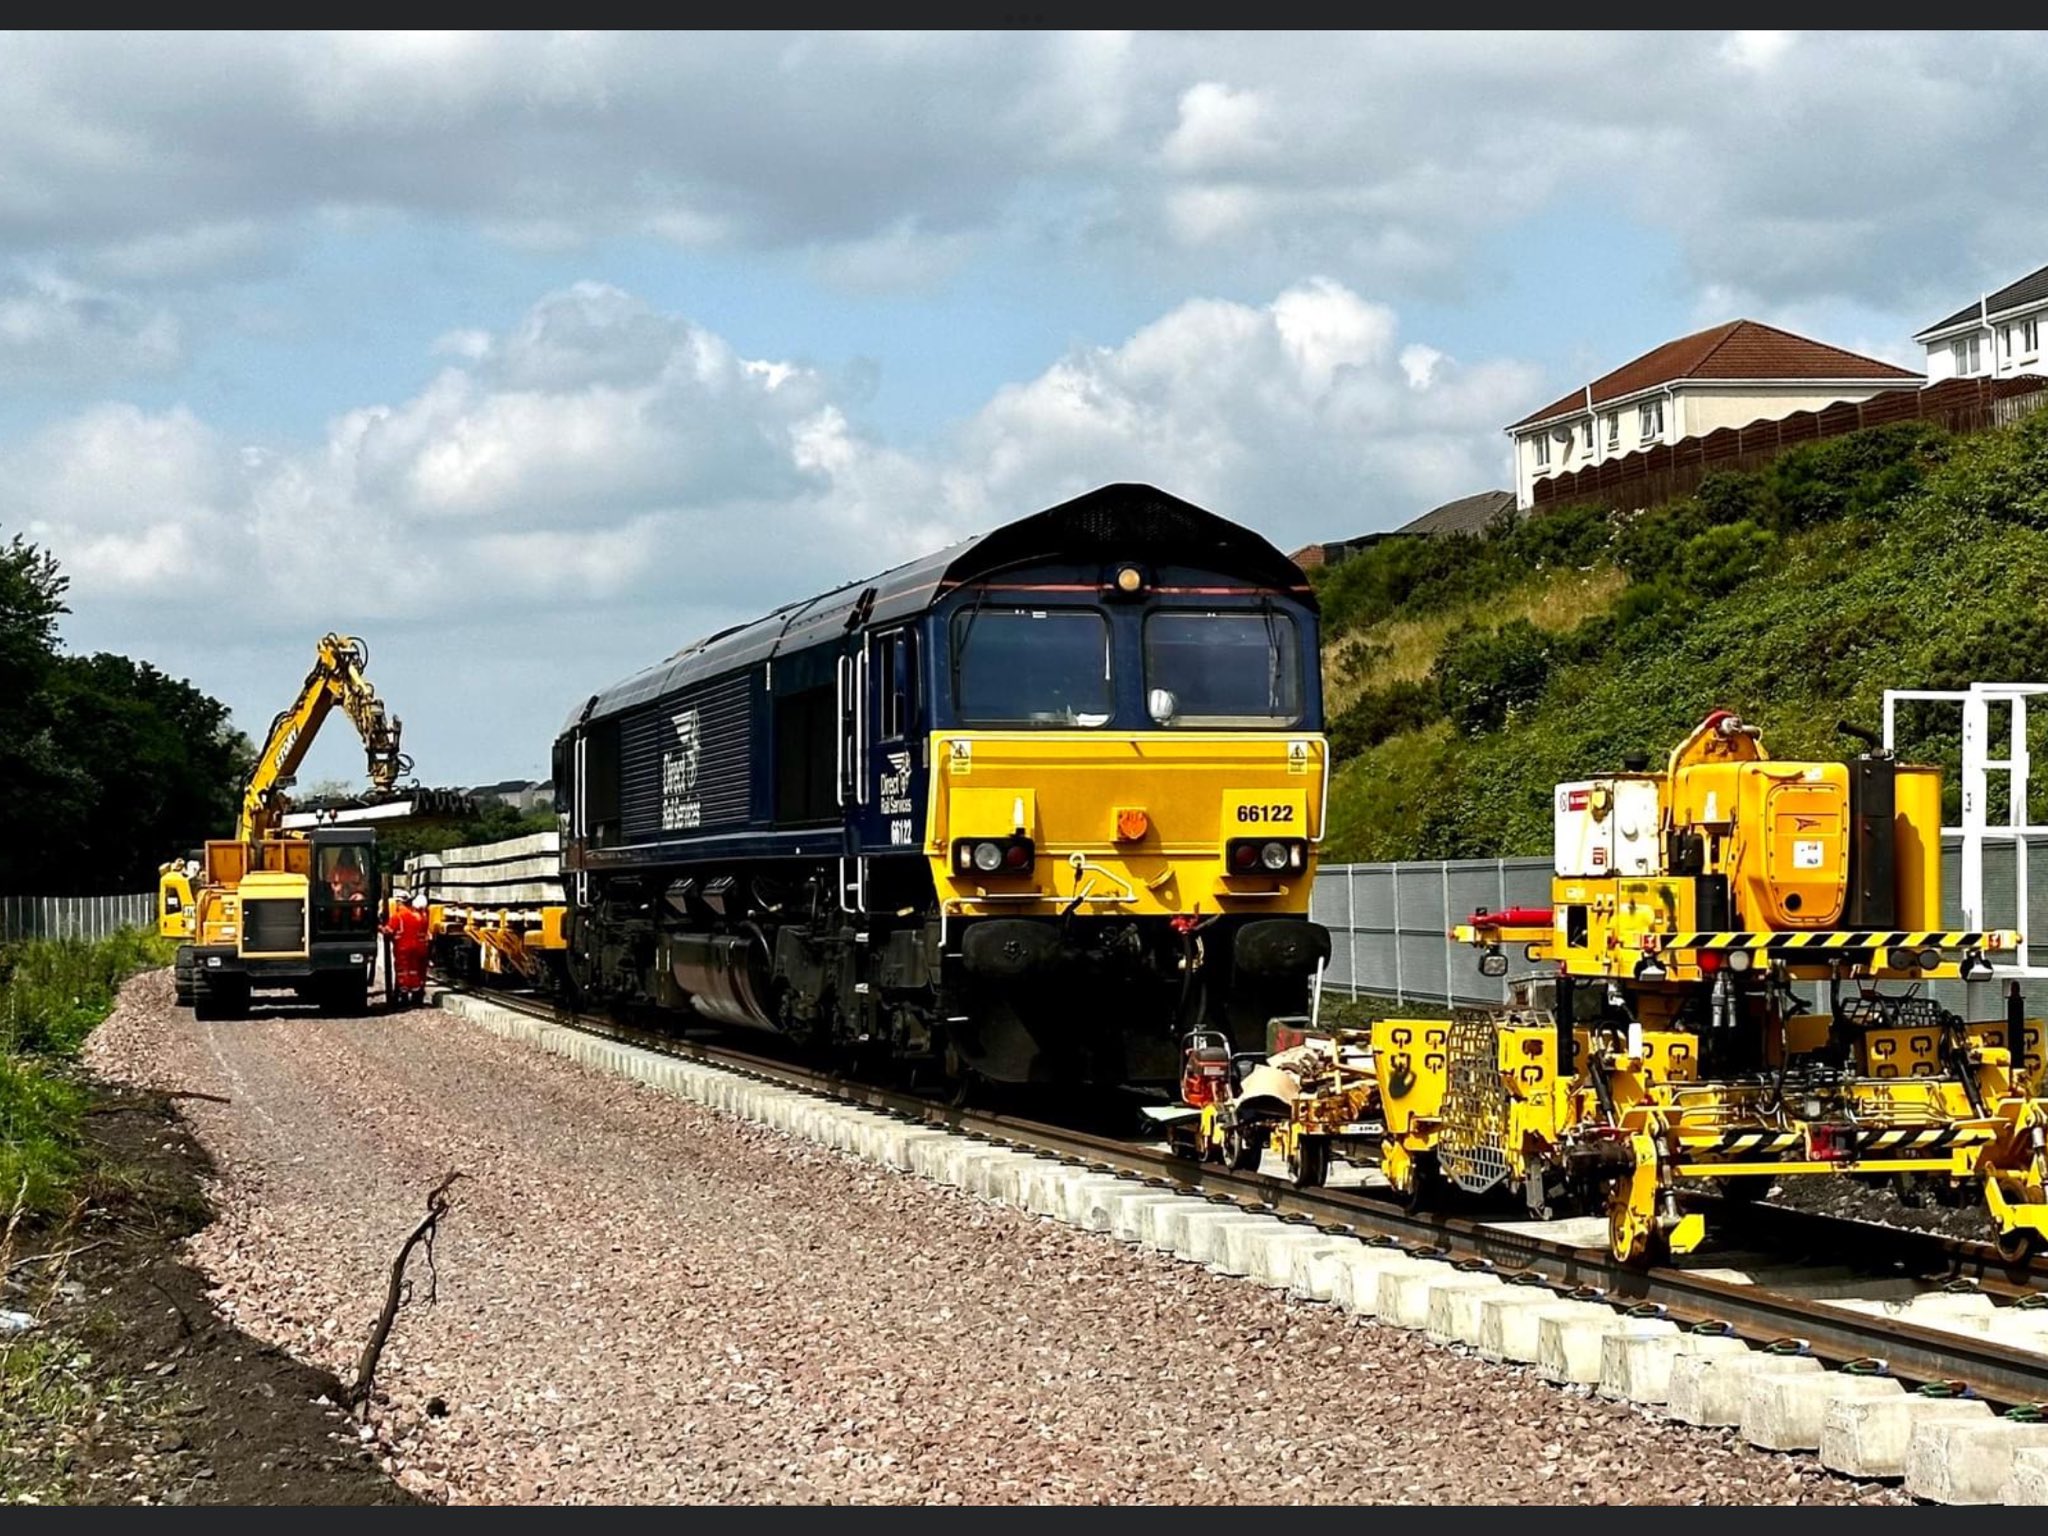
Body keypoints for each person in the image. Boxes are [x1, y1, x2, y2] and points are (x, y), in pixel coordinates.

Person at [382, 891, 432, 1008]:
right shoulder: (418, 916)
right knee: (415, 971)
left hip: (402, 948)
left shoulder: (397, 916)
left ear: (399, 902)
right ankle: (416, 996)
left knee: (402, 971)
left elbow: (388, 931)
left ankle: (403, 996)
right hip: (419, 948)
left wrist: (379, 927)